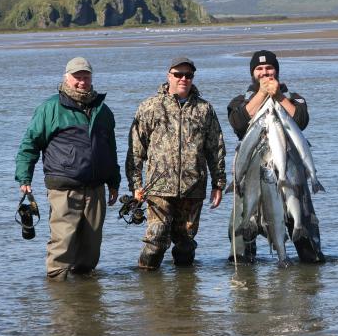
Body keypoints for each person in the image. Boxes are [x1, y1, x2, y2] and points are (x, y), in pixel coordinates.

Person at [15, 57, 120, 279]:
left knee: (91, 249)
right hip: (64, 188)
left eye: (86, 76)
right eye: (77, 77)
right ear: (67, 78)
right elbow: (30, 144)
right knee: (62, 244)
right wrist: (24, 178)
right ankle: (58, 295)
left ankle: (85, 302)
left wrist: (114, 182)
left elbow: (110, 148)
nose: (82, 81)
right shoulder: (51, 108)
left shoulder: (103, 110)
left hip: (96, 189)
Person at [126, 56, 227, 269]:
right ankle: (148, 288)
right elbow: (136, 149)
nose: (183, 79)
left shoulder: (204, 109)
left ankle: (185, 295)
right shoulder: (150, 106)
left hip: (193, 189)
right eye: (178, 74)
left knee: (186, 244)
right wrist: (135, 185)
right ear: (168, 76)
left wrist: (219, 184)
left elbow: (215, 149)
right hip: (158, 188)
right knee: (155, 242)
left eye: (188, 75)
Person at [227, 49, 325, 263]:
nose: (264, 72)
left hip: (289, 174)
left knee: (306, 239)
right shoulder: (239, 101)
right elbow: (238, 123)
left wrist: (278, 96)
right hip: (252, 175)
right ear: (252, 73)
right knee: (241, 242)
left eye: (269, 68)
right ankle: (245, 284)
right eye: (259, 69)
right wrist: (262, 94)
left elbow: (301, 121)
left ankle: (309, 284)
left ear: (277, 71)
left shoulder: (295, 98)